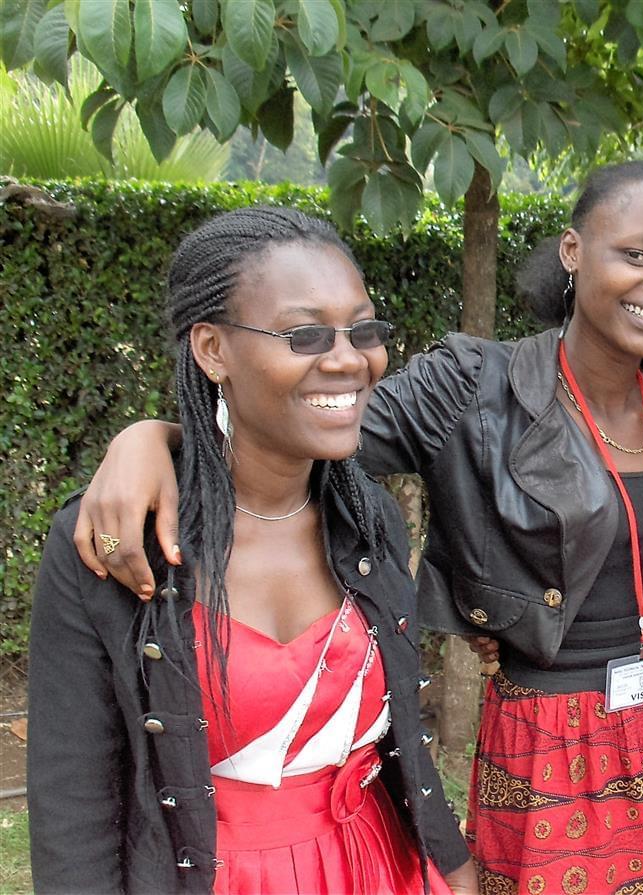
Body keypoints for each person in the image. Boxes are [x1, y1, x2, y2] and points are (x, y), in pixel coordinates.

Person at [68, 163, 643, 895]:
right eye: (638, 255)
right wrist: (153, 437)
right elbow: (302, 423)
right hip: (557, 737)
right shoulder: (471, 389)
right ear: (573, 251)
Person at [27, 208, 477, 894]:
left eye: (363, 329)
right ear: (212, 349)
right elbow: (73, 805)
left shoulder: (369, 519)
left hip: (376, 865)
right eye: (305, 333)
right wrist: (148, 441)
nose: (349, 357)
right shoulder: (117, 540)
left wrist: (452, 866)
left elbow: (403, 742)